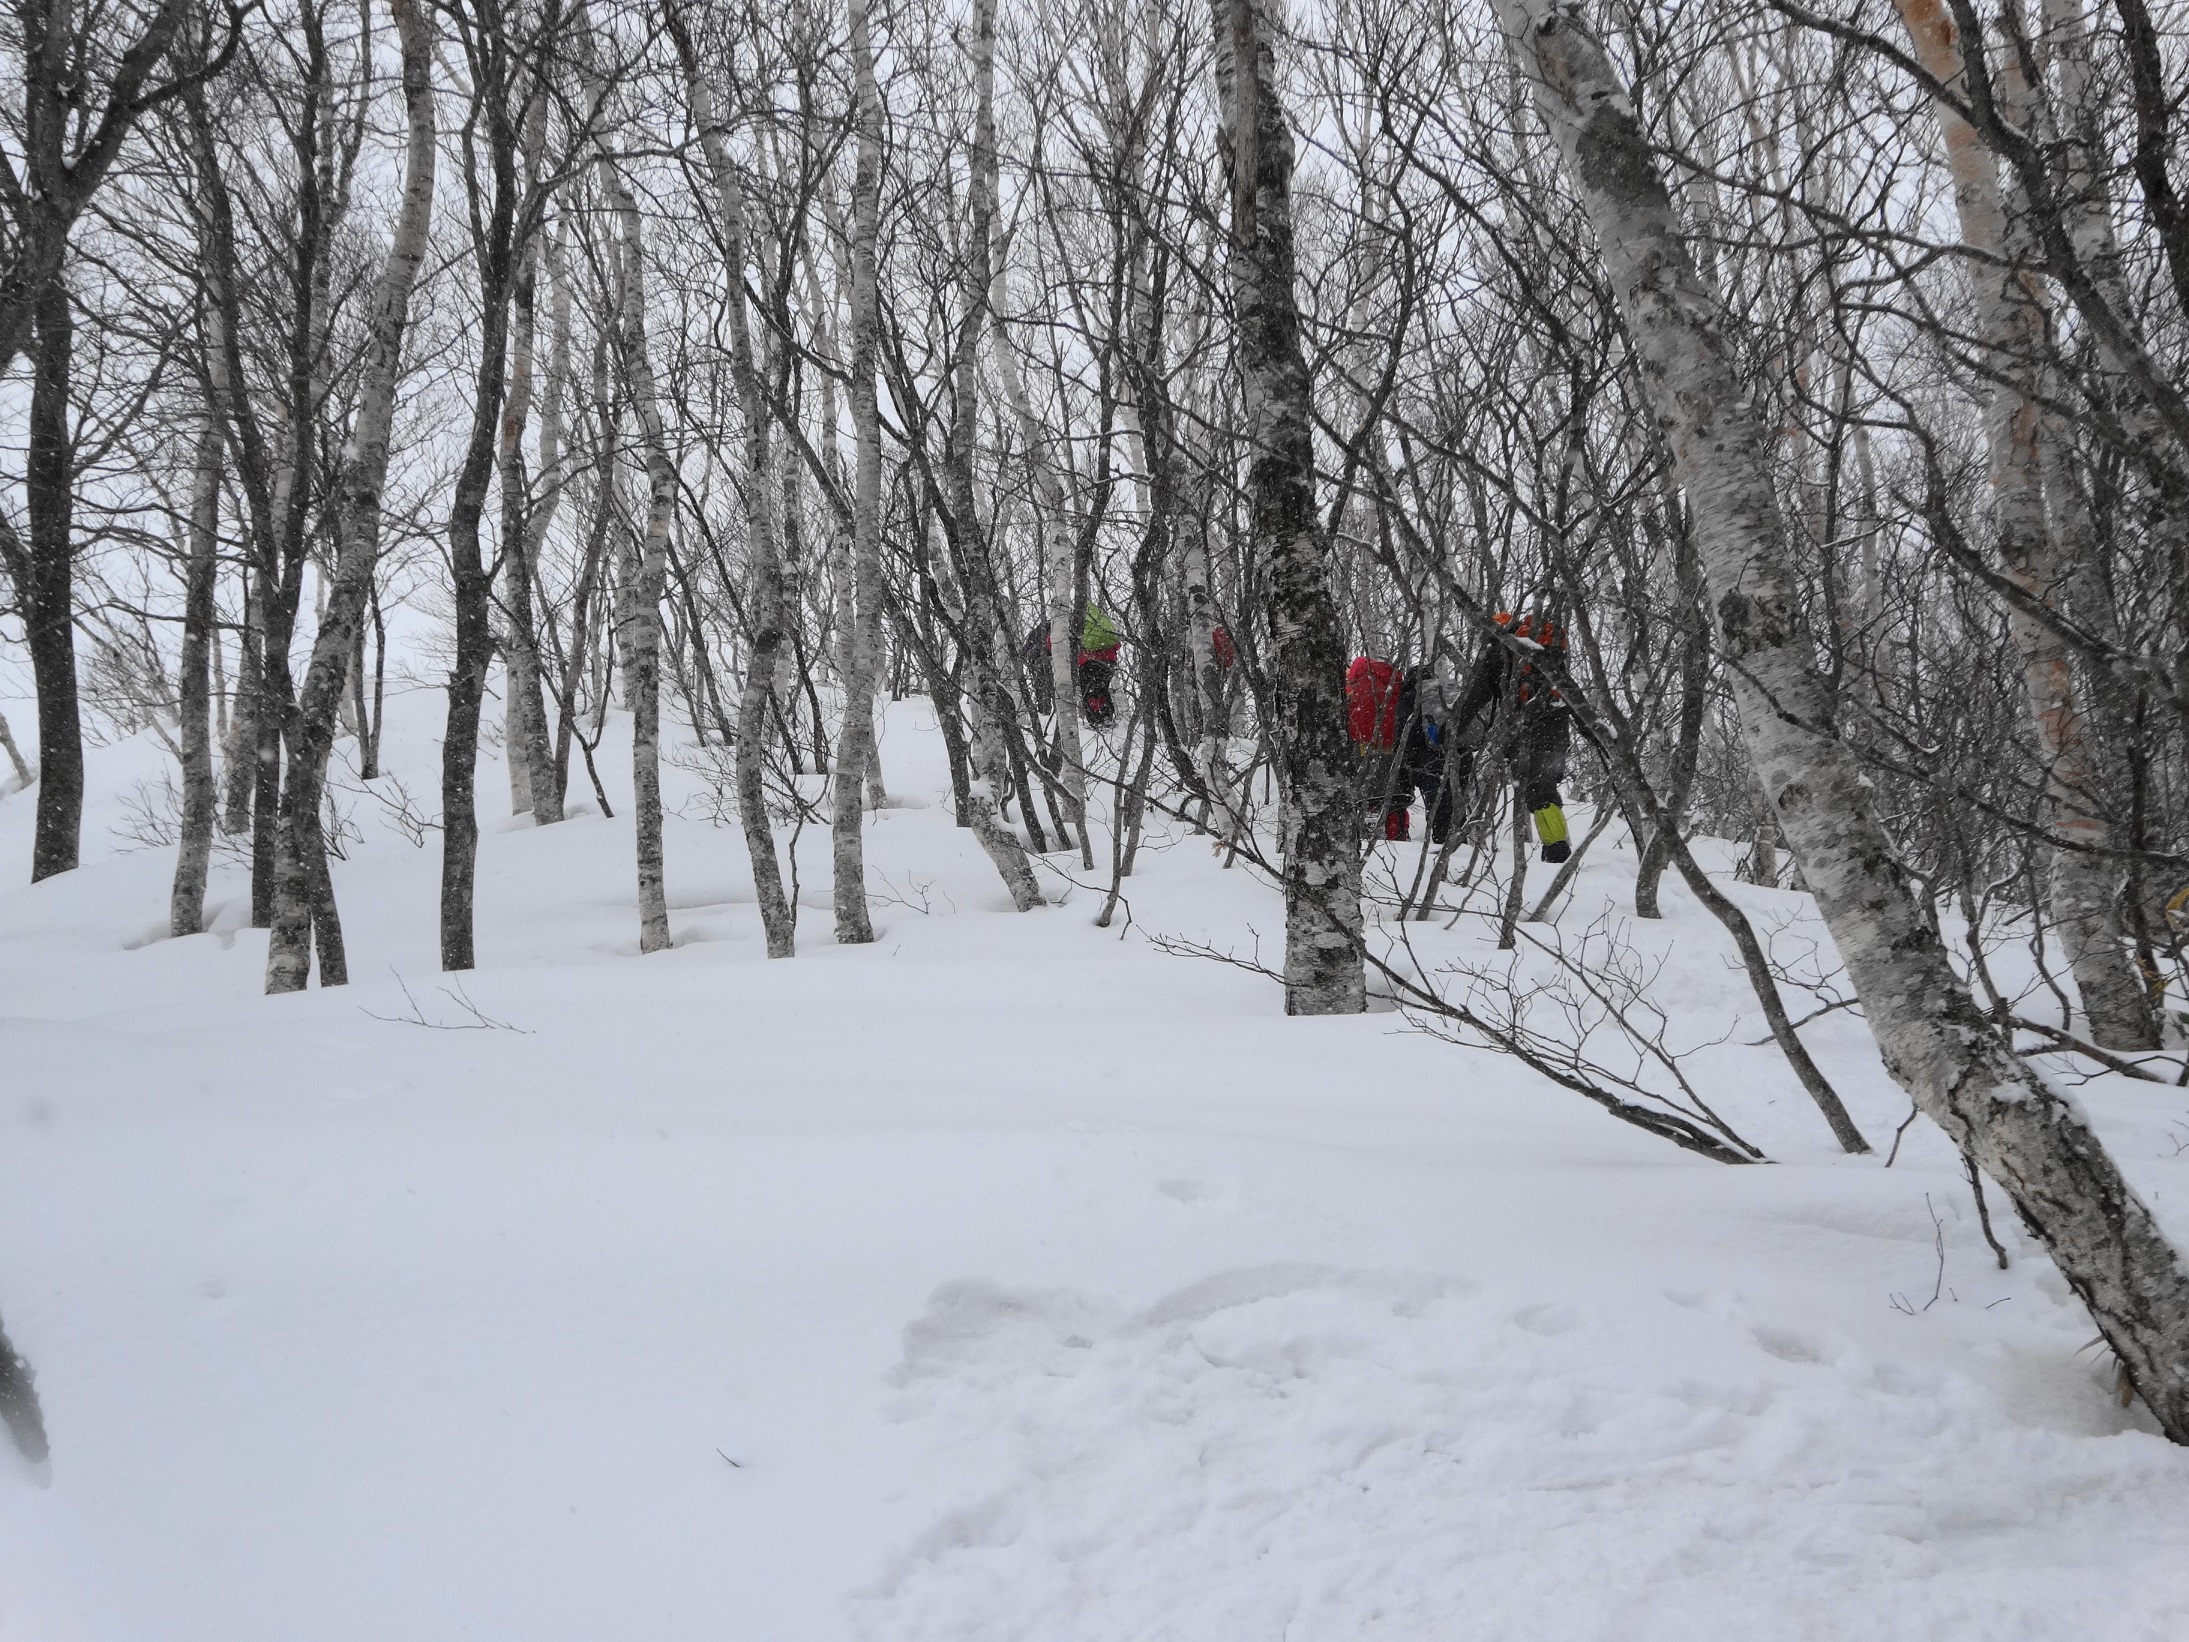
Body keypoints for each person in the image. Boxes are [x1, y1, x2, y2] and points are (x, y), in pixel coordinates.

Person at [1450, 610, 1573, 863]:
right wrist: (1588, 728)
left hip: (1525, 729)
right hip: (1558, 725)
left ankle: (1557, 848)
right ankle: (1557, 845)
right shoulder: (1544, 651)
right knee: (1546, 787)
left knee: (1537, 789)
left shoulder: (1499, 653)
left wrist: (1449, 731)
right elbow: (1568, 689)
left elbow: (1473, 698)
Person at [1023, 606, 1123, 724]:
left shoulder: (1057, 630)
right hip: (1109, 659)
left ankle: (1099, 721)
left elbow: (1055, 644)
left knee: (1090, 691)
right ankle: (1106, 718)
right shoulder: (1082, 621)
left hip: (1090, 661)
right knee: (1100, 689)